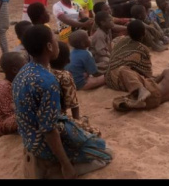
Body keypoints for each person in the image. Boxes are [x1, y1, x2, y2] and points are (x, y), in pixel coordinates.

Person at [13, 25, 112, 178]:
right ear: (49, 46)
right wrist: (66, 165)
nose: (59, 43)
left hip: (29, 139)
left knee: (83, 134)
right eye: (55, 39)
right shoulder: (48, 81)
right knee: (104, 153)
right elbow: (49, 129)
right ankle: (56, 169)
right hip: (42, 144)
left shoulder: (24, 71)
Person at [0, 52, 27, 138]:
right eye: (25, 65)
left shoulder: (18, 82)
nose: (28, 67)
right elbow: (10, 112)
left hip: (14, 116)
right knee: (27, 114)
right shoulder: (4, 87)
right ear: (15, 70)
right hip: (2, 122)